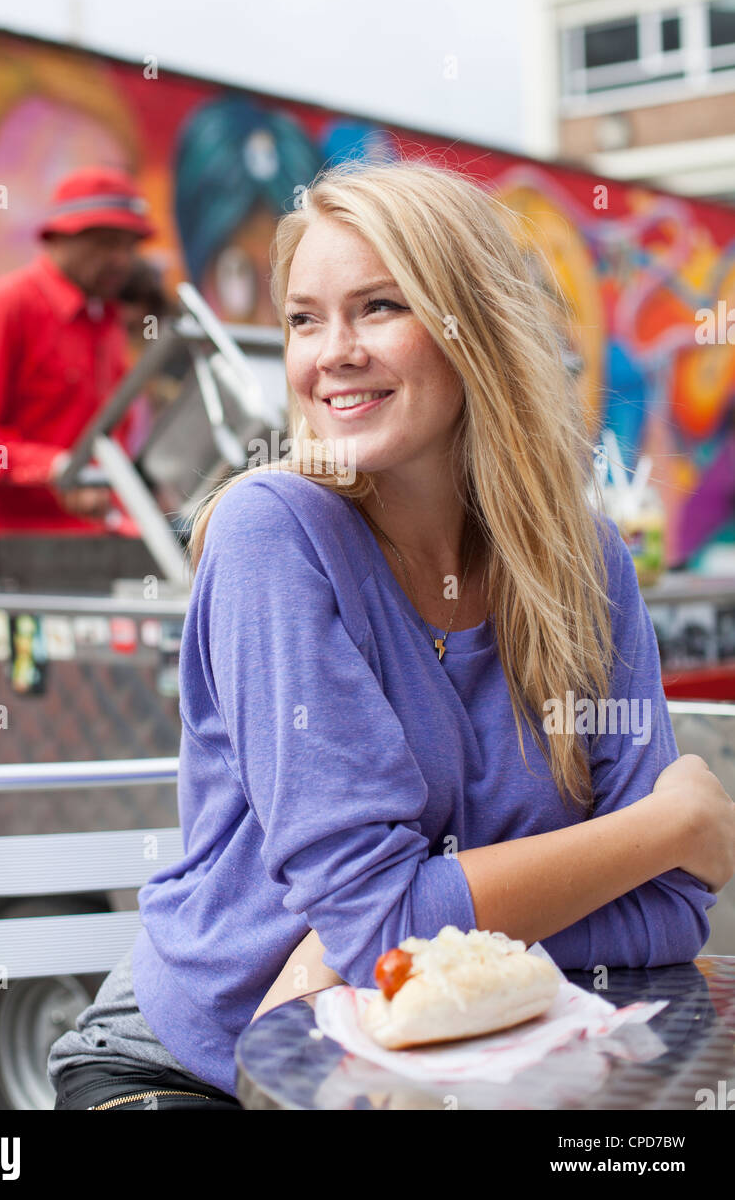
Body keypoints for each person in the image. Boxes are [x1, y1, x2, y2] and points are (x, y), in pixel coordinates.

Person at [48, 158, 735, 1111]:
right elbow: (388, 926)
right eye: (302, 319)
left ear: (474, 328)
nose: (331, 352)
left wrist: (388, 936)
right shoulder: (273, 536)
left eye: (378, 307)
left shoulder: (587, 567)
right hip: (202, 1072)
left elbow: (670, 912)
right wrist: (667, 826)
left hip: (467, 1063)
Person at [0, 166, 165, 583]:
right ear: (58, 237)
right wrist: (54, 469)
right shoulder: (2, 307)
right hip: (8, 558)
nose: (121, 259)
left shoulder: (104, 322)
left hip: (88, 553)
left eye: (129, 245)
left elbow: (105, 447)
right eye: (106, 243)